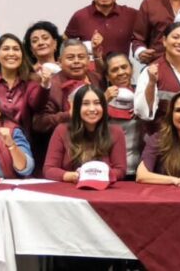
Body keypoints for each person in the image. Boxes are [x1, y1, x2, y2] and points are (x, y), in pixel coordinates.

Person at [32, 39, 102, 173]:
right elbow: (38, 123)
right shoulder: (51, 85)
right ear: (59, 61)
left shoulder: (96, 79)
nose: (76, 61)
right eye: (70, 57)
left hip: (96, 151)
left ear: (88, 60)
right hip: (63, 154)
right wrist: (68, 115)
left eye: (81, 57)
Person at [43, 86, 128, 182]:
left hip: (103, 186)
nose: (92, 109)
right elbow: (49, 169)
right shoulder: (62, 130)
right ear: (77, 108)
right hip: (71, 186)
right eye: (85, 104)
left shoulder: (116, 132)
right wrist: (71, 176)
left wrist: (93, 175)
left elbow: (120, 170)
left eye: (97, 103)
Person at [134, 23, 180, 135]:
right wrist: (152, 83)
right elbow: (144, 112)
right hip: (167, 139)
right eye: (175, 37)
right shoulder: (151, 70)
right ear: (164, 41)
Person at [64, 0, 139, 64]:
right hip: (90, 71)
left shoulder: (131, 15)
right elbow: (64, 43)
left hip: (120, 70)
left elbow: (145, 37)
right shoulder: (80, 16)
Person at [0, 33, 43, 136]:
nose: (11, 53)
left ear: (22, 55)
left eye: (16, 49)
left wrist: (45, 85)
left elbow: (37, 105)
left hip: (23, 141)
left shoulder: (32, 80)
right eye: (6, 49)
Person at [101, 52, 144, 173]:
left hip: (140, 168)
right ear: (107, 76)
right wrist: (102, 101)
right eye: (114, 70)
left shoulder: (142, 95)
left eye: (124, 67)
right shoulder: (99, 98)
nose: (121, 72)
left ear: (132, 68)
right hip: (111, 168)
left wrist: (142, 109)